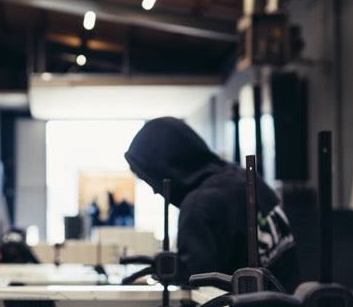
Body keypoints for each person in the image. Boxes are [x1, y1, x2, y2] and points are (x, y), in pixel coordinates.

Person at [124, 117, 298, 289]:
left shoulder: (199, 207)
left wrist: (176, 272)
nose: (156, 190)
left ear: (166, 168)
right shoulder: (244, 177)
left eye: (152, 180)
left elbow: (197, 291)